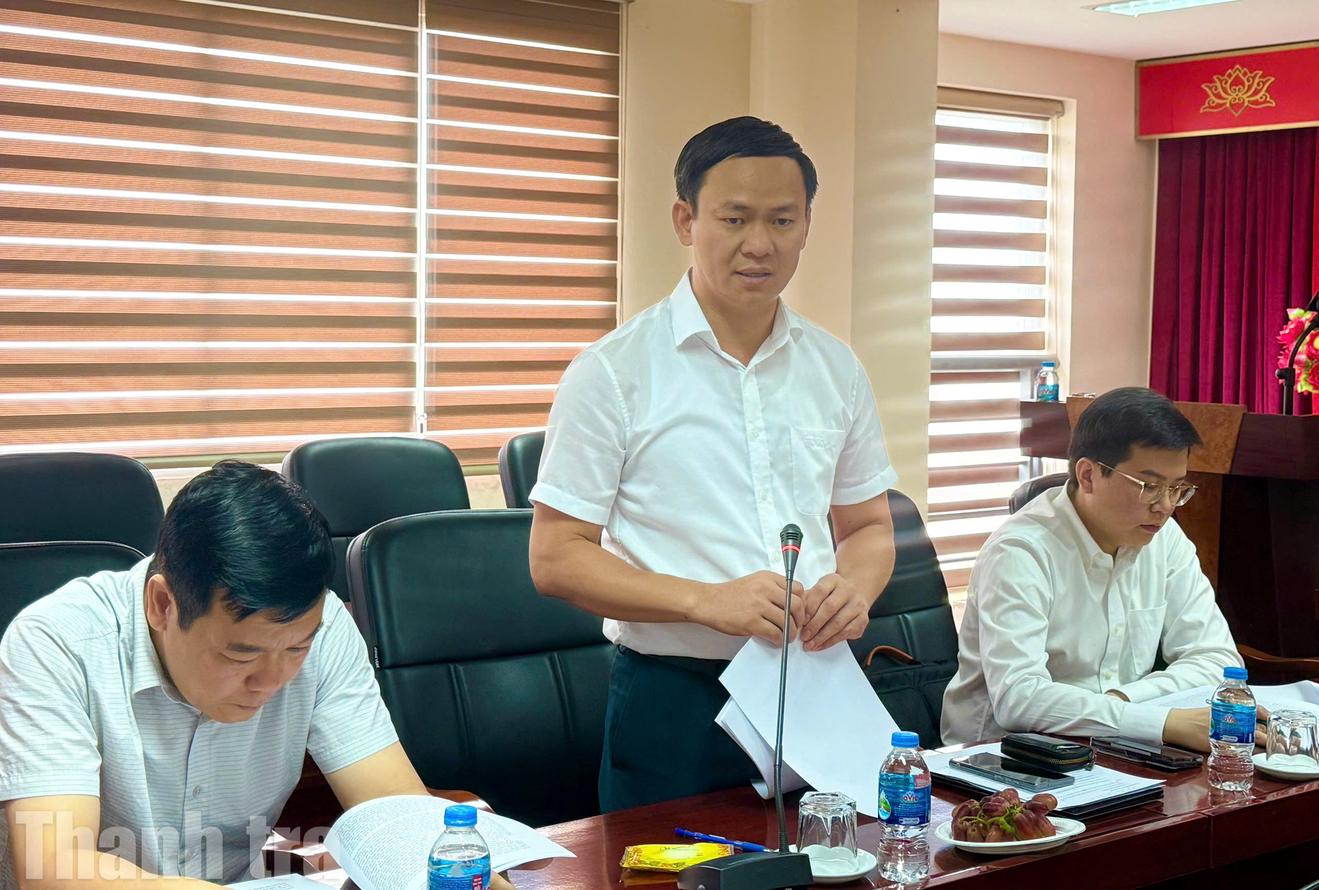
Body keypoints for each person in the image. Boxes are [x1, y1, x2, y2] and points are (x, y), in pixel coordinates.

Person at [528, 116, 899, 811]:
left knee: (838, 860)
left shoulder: (835, 367)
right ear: (685, 220)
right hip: (674, 696)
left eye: (782, 220)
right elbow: (555, 557)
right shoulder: (613, 371)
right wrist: (704, 600)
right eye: (734, 218)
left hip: (816, 685)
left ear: (806, 226)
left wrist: (854, 590)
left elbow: (869, 527)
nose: (759, 243)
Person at [0, 461, 514, 889]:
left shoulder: (325, 629)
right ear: (162, 605)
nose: (272, 681)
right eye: (240, 655)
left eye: (296, 649)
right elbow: (54, 868)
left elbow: (392, 811)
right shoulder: (56, 644)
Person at [941, 387, 1243, 753]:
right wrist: (1160, 722)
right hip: (1001, 754)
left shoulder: (1164, 538)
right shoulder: (1021, 552)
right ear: (1088, 475)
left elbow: (1217, 660)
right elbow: (1019, 698)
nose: (1165, 506)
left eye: (1177, 488)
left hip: (1118, 743)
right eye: (1149, 486)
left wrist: (1123, 701)